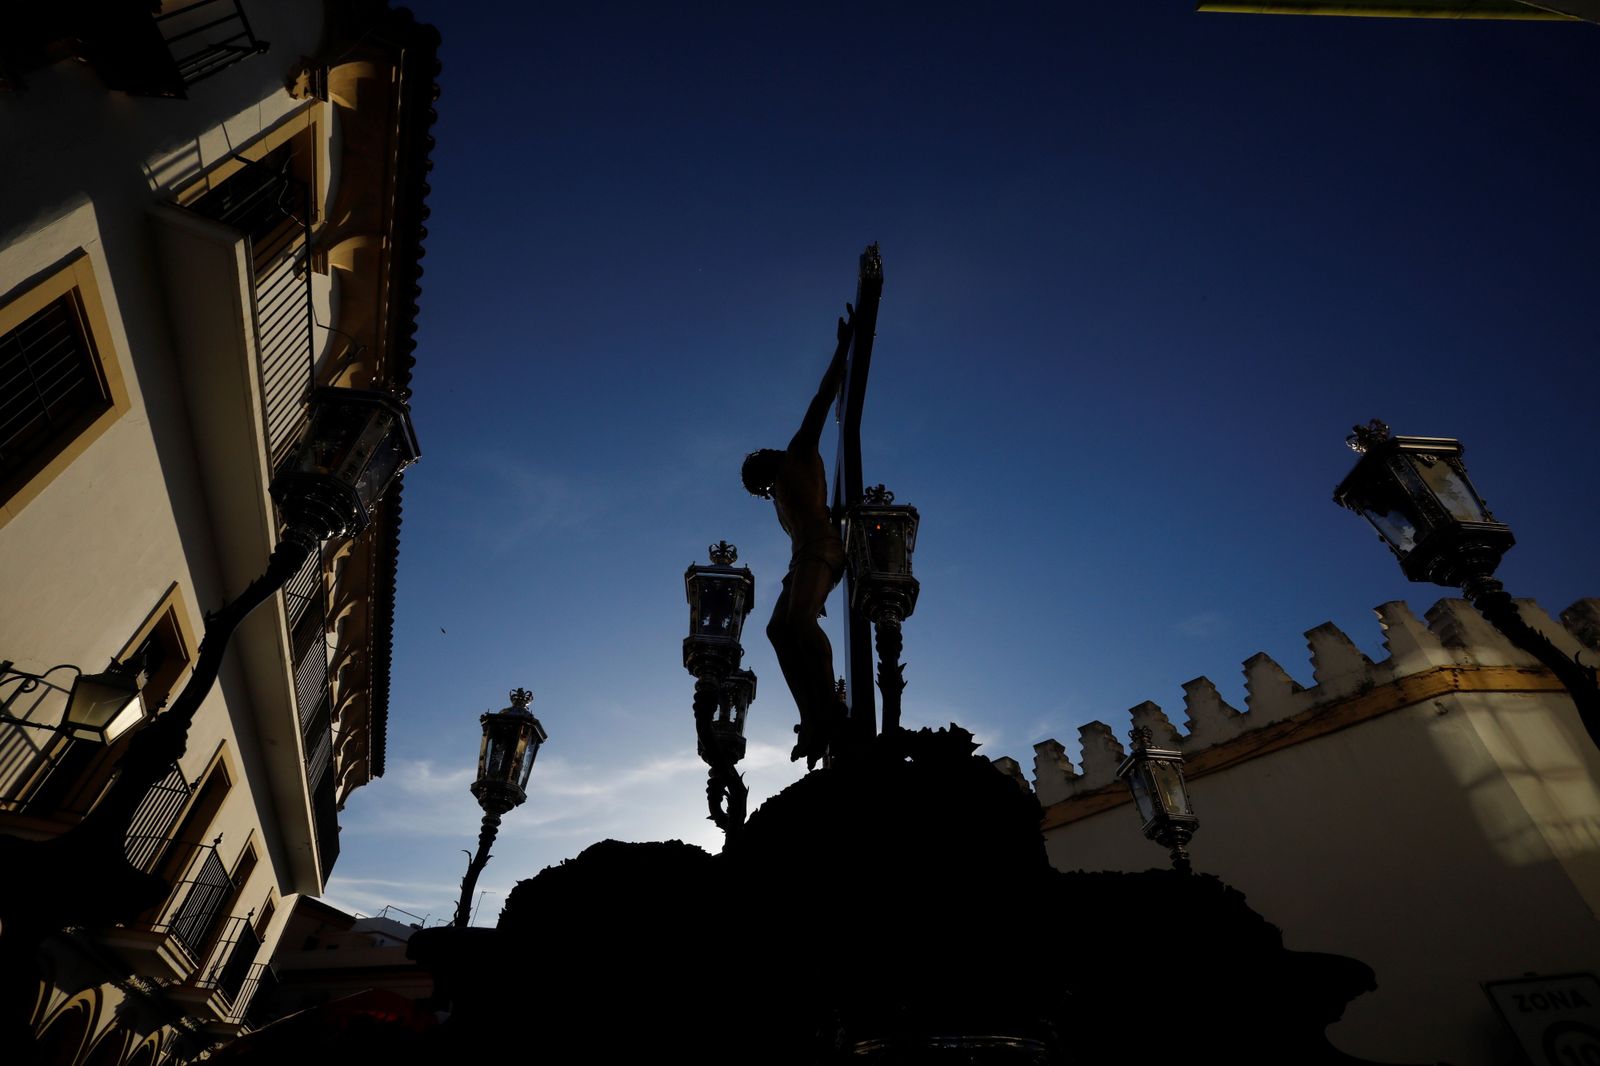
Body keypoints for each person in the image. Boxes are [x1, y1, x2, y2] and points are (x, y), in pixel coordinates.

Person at [742, 307, 855, 768]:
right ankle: (811, 715)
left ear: (767, 462)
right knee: (776, 629)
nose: (766, 491)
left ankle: (829, 706)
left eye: (761, 482)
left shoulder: (799, 453)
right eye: (760, 490)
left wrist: (843, 347)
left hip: (823, 546)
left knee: (801, 625)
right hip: (801, 559)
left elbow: (822, 397)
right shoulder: (778, 498)